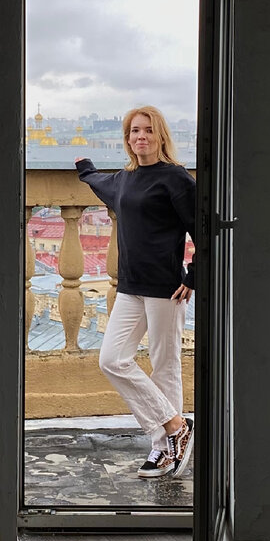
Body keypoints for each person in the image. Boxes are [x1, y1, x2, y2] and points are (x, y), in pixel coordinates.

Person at [75, 105, 195, 478]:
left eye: (147, 131)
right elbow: (102, 183)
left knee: (165, 365)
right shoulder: (125, 179)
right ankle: (176, 427)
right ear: (127, 138)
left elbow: (203, 230)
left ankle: (162, 449)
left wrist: (194, 276)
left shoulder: (176, 179)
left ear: (160, 136)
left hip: (166, 287)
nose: (140, 137)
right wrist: (85, 169)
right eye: (133, 131)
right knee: (111, 359)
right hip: (130, 286)